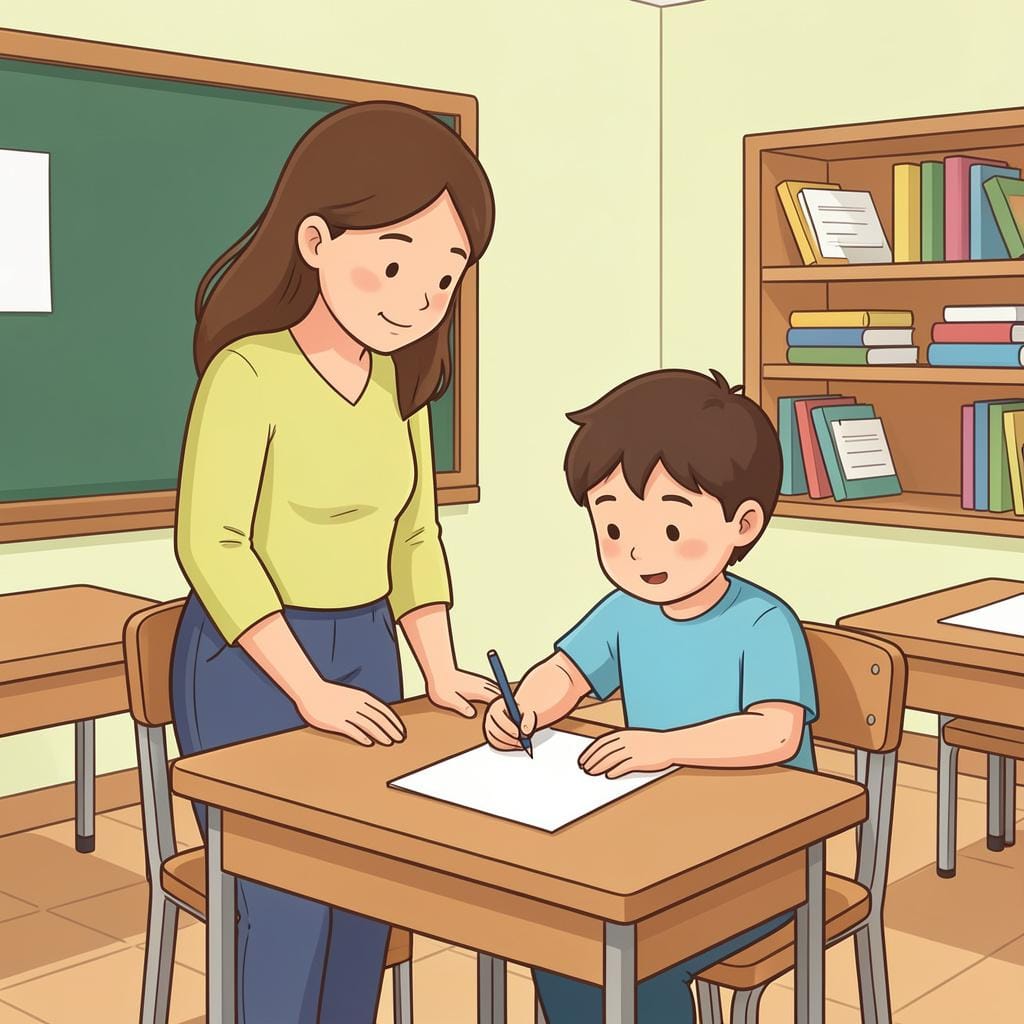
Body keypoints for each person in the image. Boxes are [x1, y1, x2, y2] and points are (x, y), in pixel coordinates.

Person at [171, 101, 498, 1023]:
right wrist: (308, 690)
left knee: (368, 897)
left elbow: (414, 539)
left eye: (445, 277)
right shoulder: (249, 374)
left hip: (367, 648)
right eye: (396, 262)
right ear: (315, 239)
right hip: (251, 664)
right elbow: (212, 545)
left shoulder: (403, 383)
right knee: (287, 907)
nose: (419, 298)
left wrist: (439, 672)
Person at [484, 368, 819, 1024]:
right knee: (565, 939)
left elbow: (775, 733)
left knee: (632, 953)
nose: (637, 552)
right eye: (612, 531)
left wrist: (662, 746)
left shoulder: (763, 622)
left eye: (669, 530)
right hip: (657, 844)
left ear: (743, 522)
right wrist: (526, 704)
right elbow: (567, 673)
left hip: (758, 862)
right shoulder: (624, 610)